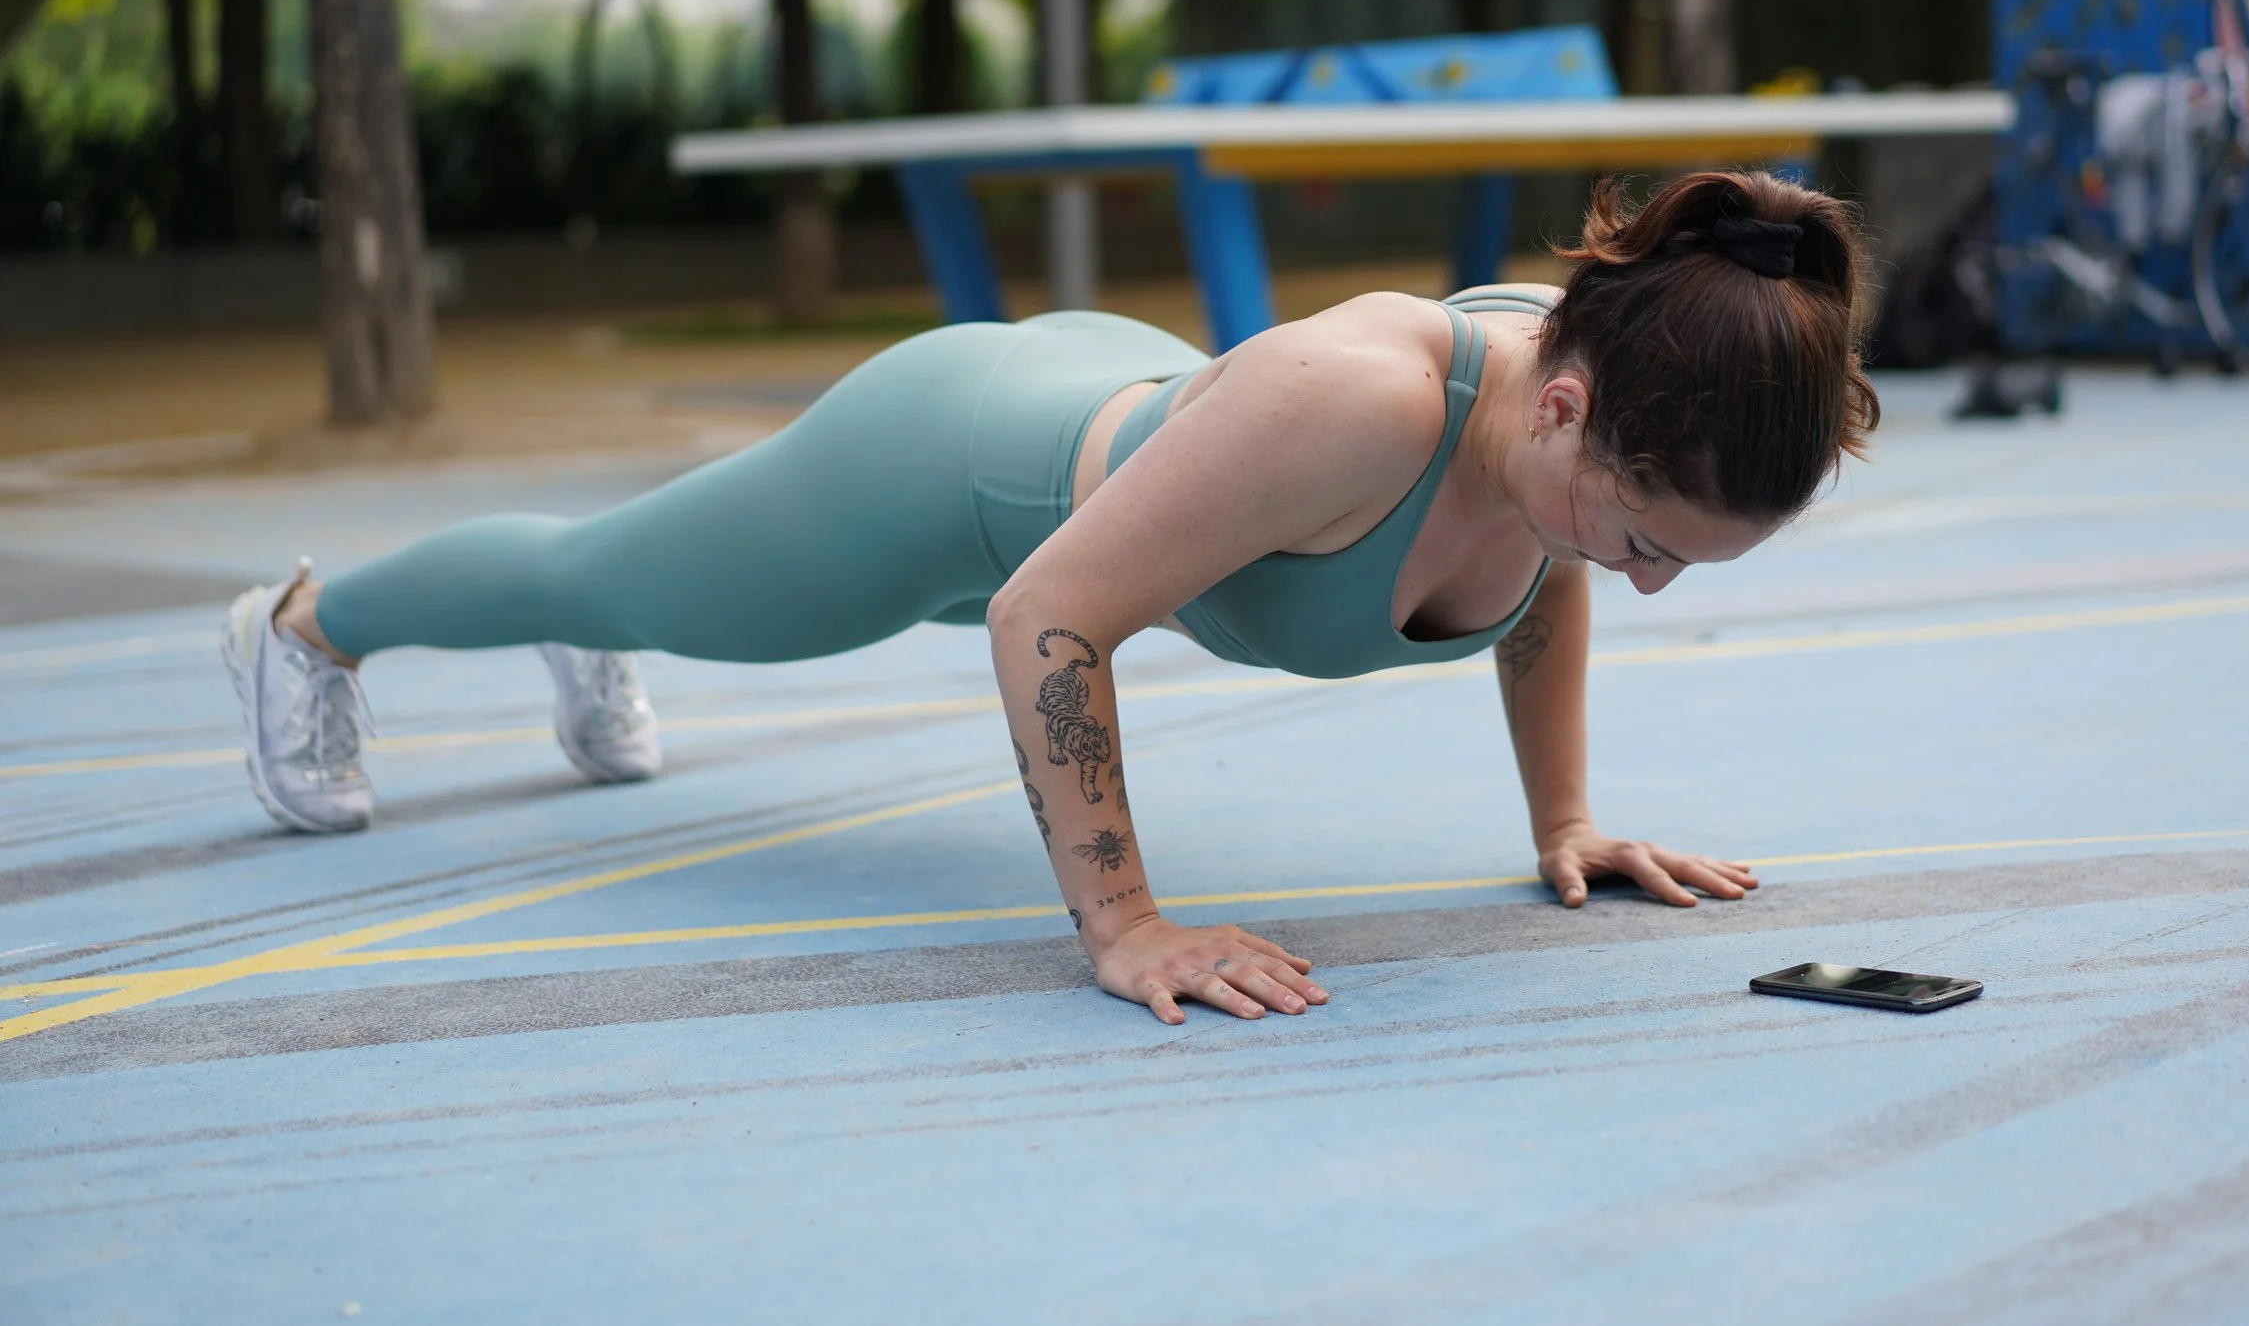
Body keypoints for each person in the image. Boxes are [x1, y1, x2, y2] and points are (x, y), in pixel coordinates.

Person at [221, 169, 1878, 1025]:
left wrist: (1567, 817)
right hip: (945, 471)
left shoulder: (1592, 373)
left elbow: (1546, 568)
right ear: (1569, 407)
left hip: (1129, 426)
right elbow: (1044, 619)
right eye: (1647, 536)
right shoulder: (1369, 403)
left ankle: (608, 612)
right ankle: (303, 623)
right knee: (611, 566)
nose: (1643, 579)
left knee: (646, 573)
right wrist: (1125, 923)